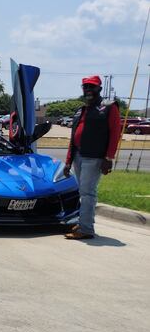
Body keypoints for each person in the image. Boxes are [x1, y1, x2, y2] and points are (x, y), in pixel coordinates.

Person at [64, 75, 122, 240]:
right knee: (83, 192)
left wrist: (109, 158)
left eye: (92, 87)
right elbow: (73, 137)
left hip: (94, 158)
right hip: (78, 156)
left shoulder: (109, 108)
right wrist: (68, 161)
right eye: (86, 87)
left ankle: (86, 229)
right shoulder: (81, 110)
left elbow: (115, 134)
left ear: (99, 89)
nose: (89, 90)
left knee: (88, 193)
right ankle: (83, 223)